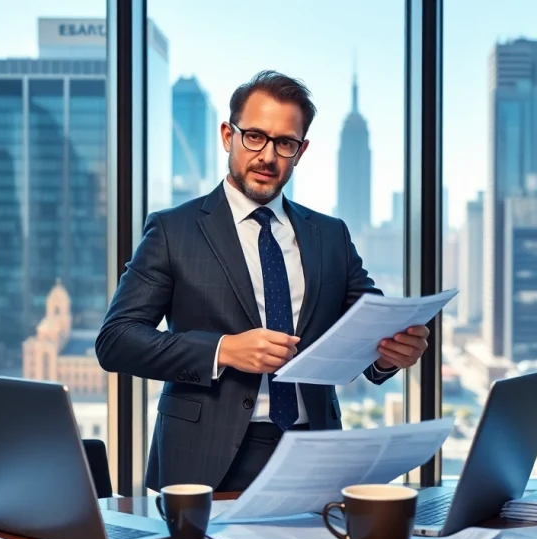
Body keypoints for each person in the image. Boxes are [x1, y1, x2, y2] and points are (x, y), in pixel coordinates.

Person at [95, 70, 429, 492]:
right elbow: (116, 341)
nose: (267, 155)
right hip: (203, 457)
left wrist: (391, 352)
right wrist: (223, 350)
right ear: (227, 135)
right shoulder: (172, 231)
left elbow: (366, 329)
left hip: (314, 455)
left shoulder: (331, 236)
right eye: (254, 136)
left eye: (284, 143)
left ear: (301, 151)